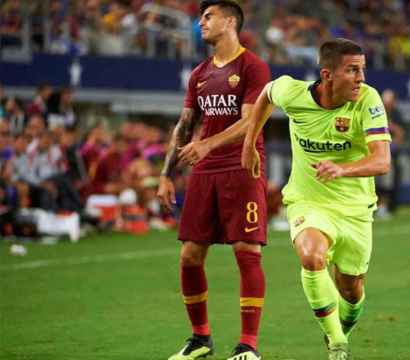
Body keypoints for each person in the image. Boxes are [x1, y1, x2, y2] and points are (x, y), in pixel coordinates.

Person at [240, 38, 391, 360]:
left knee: (351, 288)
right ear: (327, 75)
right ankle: (337, 343)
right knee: (311, 256)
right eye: (352, 70)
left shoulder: (368, 100)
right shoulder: (293, 93)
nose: (361, 78)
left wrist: (342, 169)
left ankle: (342, 330)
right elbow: (266, 94)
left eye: (362, 70)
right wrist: (250, 141)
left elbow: (382, 161)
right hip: (308, 201)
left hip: (355, 209)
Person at [156, 1, 271, 360]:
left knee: (246, 251)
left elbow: (251, 123)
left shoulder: (252, 66)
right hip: (205, 172)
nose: (200, 23)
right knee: (190, 255)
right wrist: (166, 174)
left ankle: (247, 346)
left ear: (230, 20)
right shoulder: (200, 74)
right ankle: (200, 339)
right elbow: (185, 125)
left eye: (207, 17)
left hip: (242, 167)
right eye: (200, 18)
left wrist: (207, 144)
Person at [376, 89, 405, 218]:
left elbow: (401, 135)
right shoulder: (376, 113)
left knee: (387, 183)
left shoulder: (397, 115)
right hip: (375, 152)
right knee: (376, 183)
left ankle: (385, 207)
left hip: (391, 154)